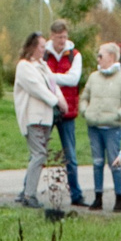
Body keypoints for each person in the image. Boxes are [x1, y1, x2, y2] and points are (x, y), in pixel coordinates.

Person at [82, 41, 121, 209]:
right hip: (94, 127)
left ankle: (119, 199)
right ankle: (98, 198)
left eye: (101, 55)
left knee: (114, 162)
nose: (98, 58)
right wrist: (85, 111)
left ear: (111, 57)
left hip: (112, 128)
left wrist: (118, 115)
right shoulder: (93, 77)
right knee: (97, 162)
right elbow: (84, 97)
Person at [13, 32, 61, 208]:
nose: (44, 50)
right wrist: (56, 101)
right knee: (38, 154)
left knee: (39, 155)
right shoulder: (24, 66)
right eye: (41, 46)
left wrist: (61, 100)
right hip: (33, 117)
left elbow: (53, 84)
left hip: (45, 117)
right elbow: (37, 88)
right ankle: (29, 195)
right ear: (33, 47)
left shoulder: (43, 66)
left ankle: (28, 190)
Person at [46, 17, 86, 208]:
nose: (62, 40)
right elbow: (40, 78)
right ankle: (26, 191)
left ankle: (76, 193)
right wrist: (59, 78)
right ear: (52, 36)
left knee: (70, 154)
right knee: (38, 151)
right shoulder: (44, 54)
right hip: (47, 109)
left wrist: (52, 78)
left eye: (64, 36)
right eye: (58, 37)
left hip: (68, 110)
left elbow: (74, 79)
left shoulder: (74, 55)